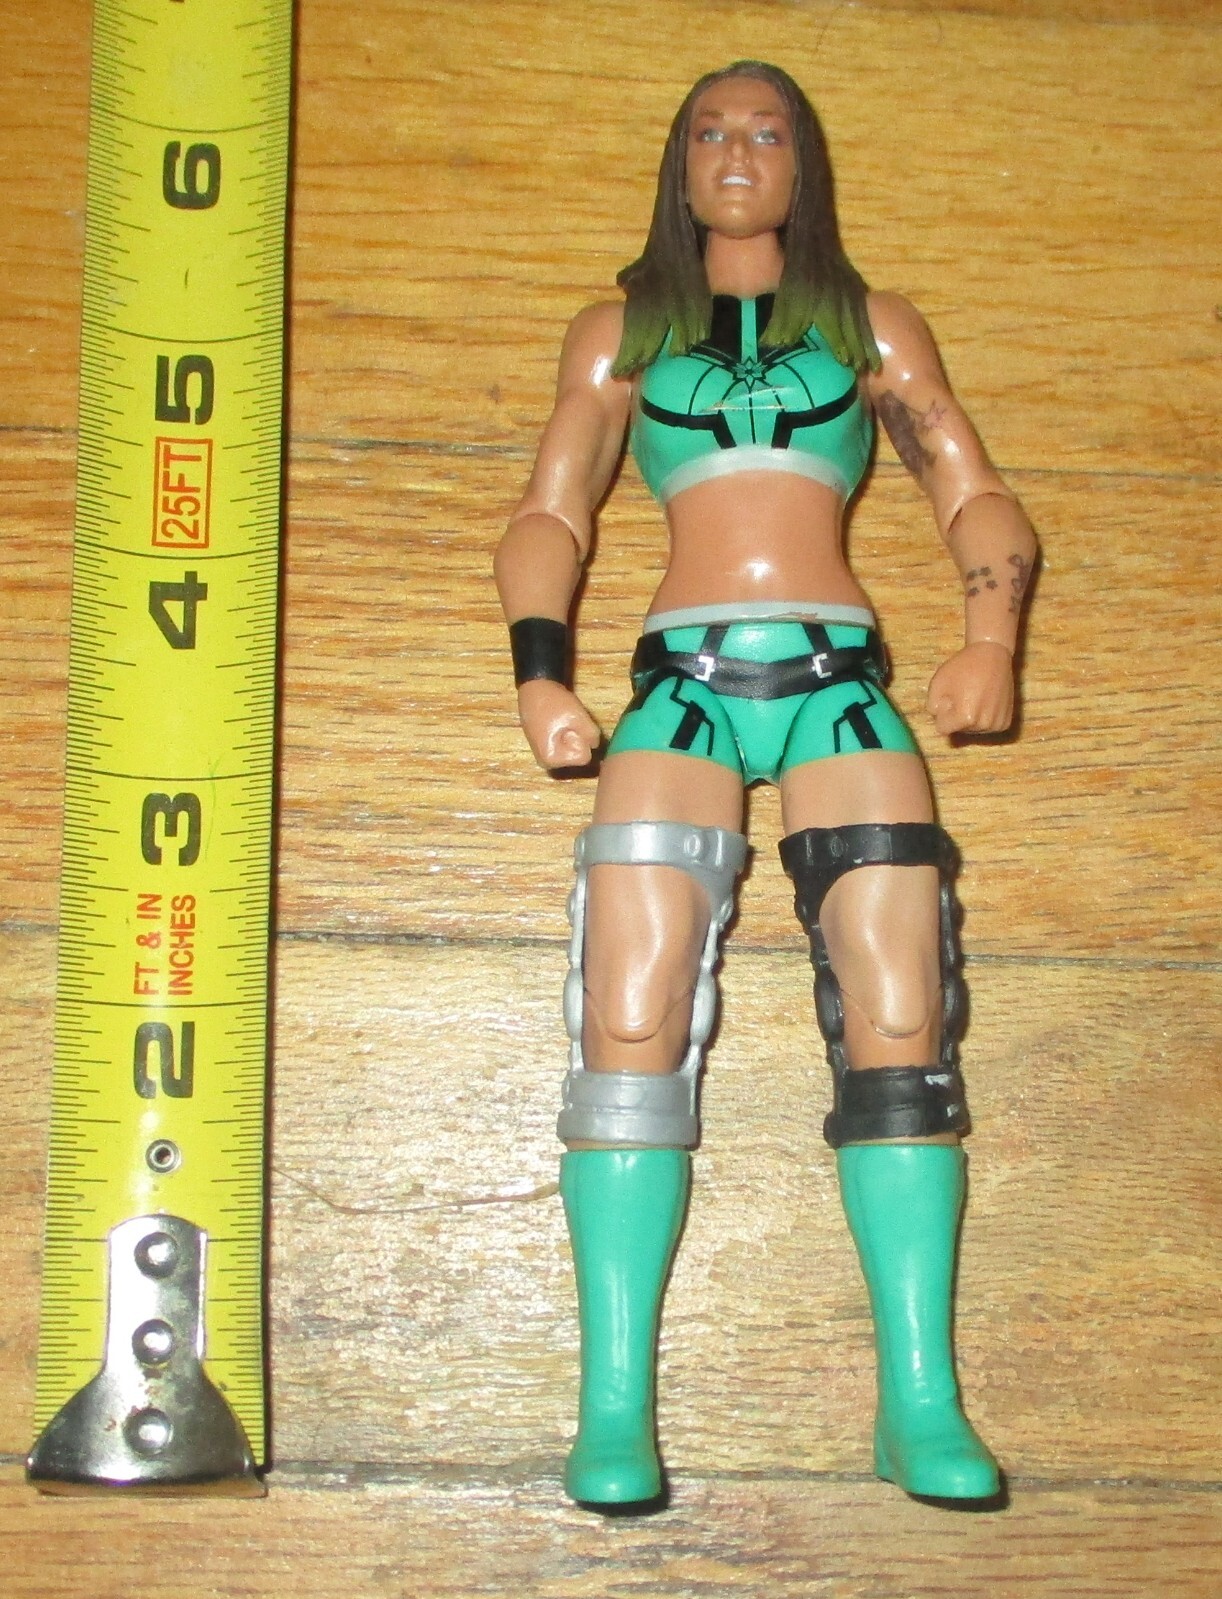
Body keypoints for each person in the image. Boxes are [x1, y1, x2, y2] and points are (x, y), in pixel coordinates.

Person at [495, 60, 1036, 1510]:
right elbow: (552, 506)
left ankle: (918, 1397)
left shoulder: (868, 328)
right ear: (679, 165)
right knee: (626, 1019)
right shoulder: (623, 333)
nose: (737, 153)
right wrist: (540, 672)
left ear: (804, 164)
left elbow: (967, 483)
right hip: (680, 683)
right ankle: (613, 1407)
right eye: (711, 132)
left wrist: (989, 635)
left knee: (903, 1019)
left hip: (837, 679)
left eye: (766, 131)